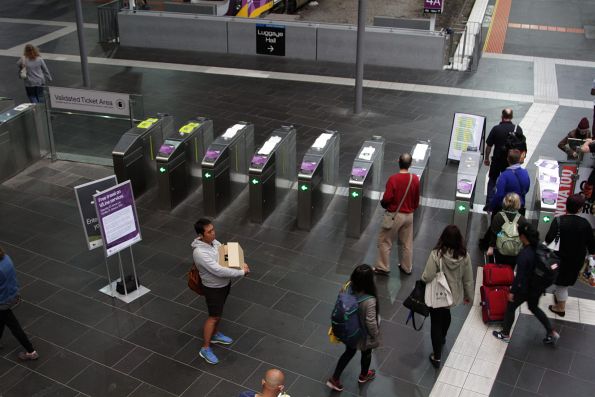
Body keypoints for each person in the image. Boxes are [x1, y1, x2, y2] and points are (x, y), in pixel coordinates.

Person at [192, 218, 249, 365]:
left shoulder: (213, 243)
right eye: (209, 232)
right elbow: (218, 270)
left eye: (213, 229)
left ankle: (215, 334)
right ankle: (205, 348)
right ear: (201, 235)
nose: (213, 233)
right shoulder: (199, 253)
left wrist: (240, 263)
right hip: (213, 289)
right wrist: (241, 273)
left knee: (219, 313)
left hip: (224, 285)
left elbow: (226, 255)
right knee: (213, 316)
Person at [493, 224, 560, 345]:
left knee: (511, 307)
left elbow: (520, 276)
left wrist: (512, 292)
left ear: (523, 237)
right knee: (534, 307)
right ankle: (551, 332)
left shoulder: (525, 254)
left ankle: (505, 334)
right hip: (537, 288)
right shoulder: (541, 248)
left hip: (524, 289)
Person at [421, 225, 473, 368]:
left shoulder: (436, 254)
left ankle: (436, 357)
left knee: (436, 323)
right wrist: (468, 296)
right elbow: (468, 279)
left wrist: (422, 279)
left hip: (437, 294)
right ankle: (442, 337)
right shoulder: (464, 256)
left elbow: (428, 275)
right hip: (453, 295)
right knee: (446, 315)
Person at [326, 264, 380, 392]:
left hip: (347, 329)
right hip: (361, 333)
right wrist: (375, 335)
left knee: (349, 352)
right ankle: (364, 375)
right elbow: (371, 322)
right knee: (366, 353)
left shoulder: (347, 286)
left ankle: (335, 378)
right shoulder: (369, 299)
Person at [545, 194, 595, 316]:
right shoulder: (585, 224)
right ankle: (559, 299)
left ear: (566, 206)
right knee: (564, 283)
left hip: (558, 260)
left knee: (561, 284)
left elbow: (548, 239)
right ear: (580, 209)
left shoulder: (558, 220)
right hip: (576, 261)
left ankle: (560, 308)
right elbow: (592, 246)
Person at [374, 153, 420, 276]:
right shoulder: (414, 178)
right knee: (407, 243)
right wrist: (411, 209)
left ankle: (383, 267)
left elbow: (387, 198)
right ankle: (407, 267)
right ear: (411, 164)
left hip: (395, 215)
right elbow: (416, 199)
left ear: (398, 161)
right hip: (409, 215)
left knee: (385, 241)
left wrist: (384, 204)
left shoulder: (393, 179)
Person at [0, 247, 39, 361]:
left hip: (3, 301)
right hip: (13, 293)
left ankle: (31, 351)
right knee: (2, 320)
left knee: (14, 327)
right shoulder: (6, 258)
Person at [483, 109, 526, 211]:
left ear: (502, 116)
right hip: (511, 161)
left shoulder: (496, 129)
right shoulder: (517, 129)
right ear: (511, 117)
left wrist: (486, 158)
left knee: (492, 180)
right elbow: (522, 145)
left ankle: (489, 205)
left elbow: (489, 146)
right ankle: (507, 203)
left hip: (497, 160)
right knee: (507, 181)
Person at [486, 193, 529, 267]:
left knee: (499, 270)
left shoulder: (498, 216)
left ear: (505, 202)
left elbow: (494, 233)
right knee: (510, 270)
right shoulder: (522, 219)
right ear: (518, 204)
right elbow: (523, 236)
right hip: (515, 251)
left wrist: (492, 246)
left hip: (500, 250)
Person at [490, 150, 530, 215]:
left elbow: (499, 195)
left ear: (508, 159)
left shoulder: (504, 175)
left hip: (505, 208)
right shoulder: (525, 173)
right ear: (519, 159)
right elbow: (526, 189)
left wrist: (492, 206)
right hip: (519, 207)